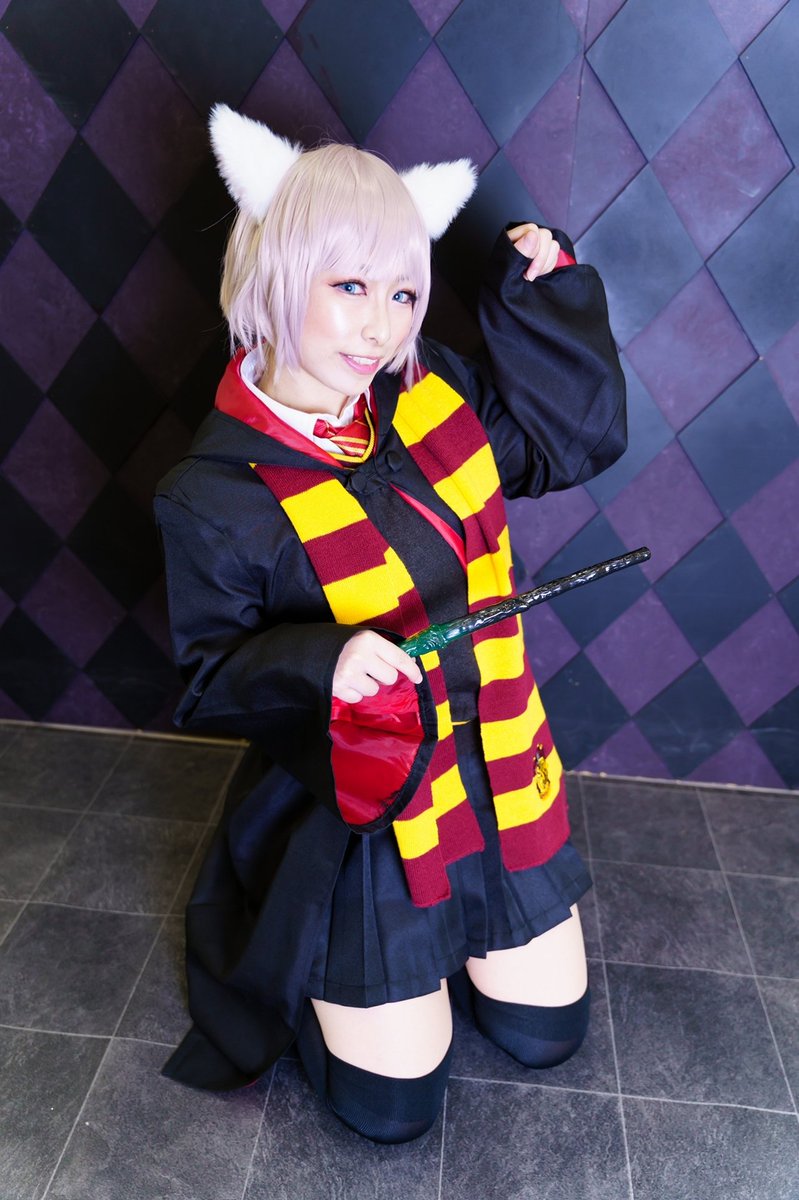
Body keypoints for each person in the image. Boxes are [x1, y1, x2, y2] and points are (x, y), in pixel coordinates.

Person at [154, 103, 626, 1144]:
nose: (379, 328)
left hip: (494, 768)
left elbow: (560, 446)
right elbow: (208, 679)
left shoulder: (429, 392)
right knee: (392, 1111)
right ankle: (339, 986)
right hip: (365, 808)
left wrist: (542, 300)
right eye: (349, 287)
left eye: (402, 293)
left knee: (546, 1035)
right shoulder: (211, 494)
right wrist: (324, 661)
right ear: (276, 271)